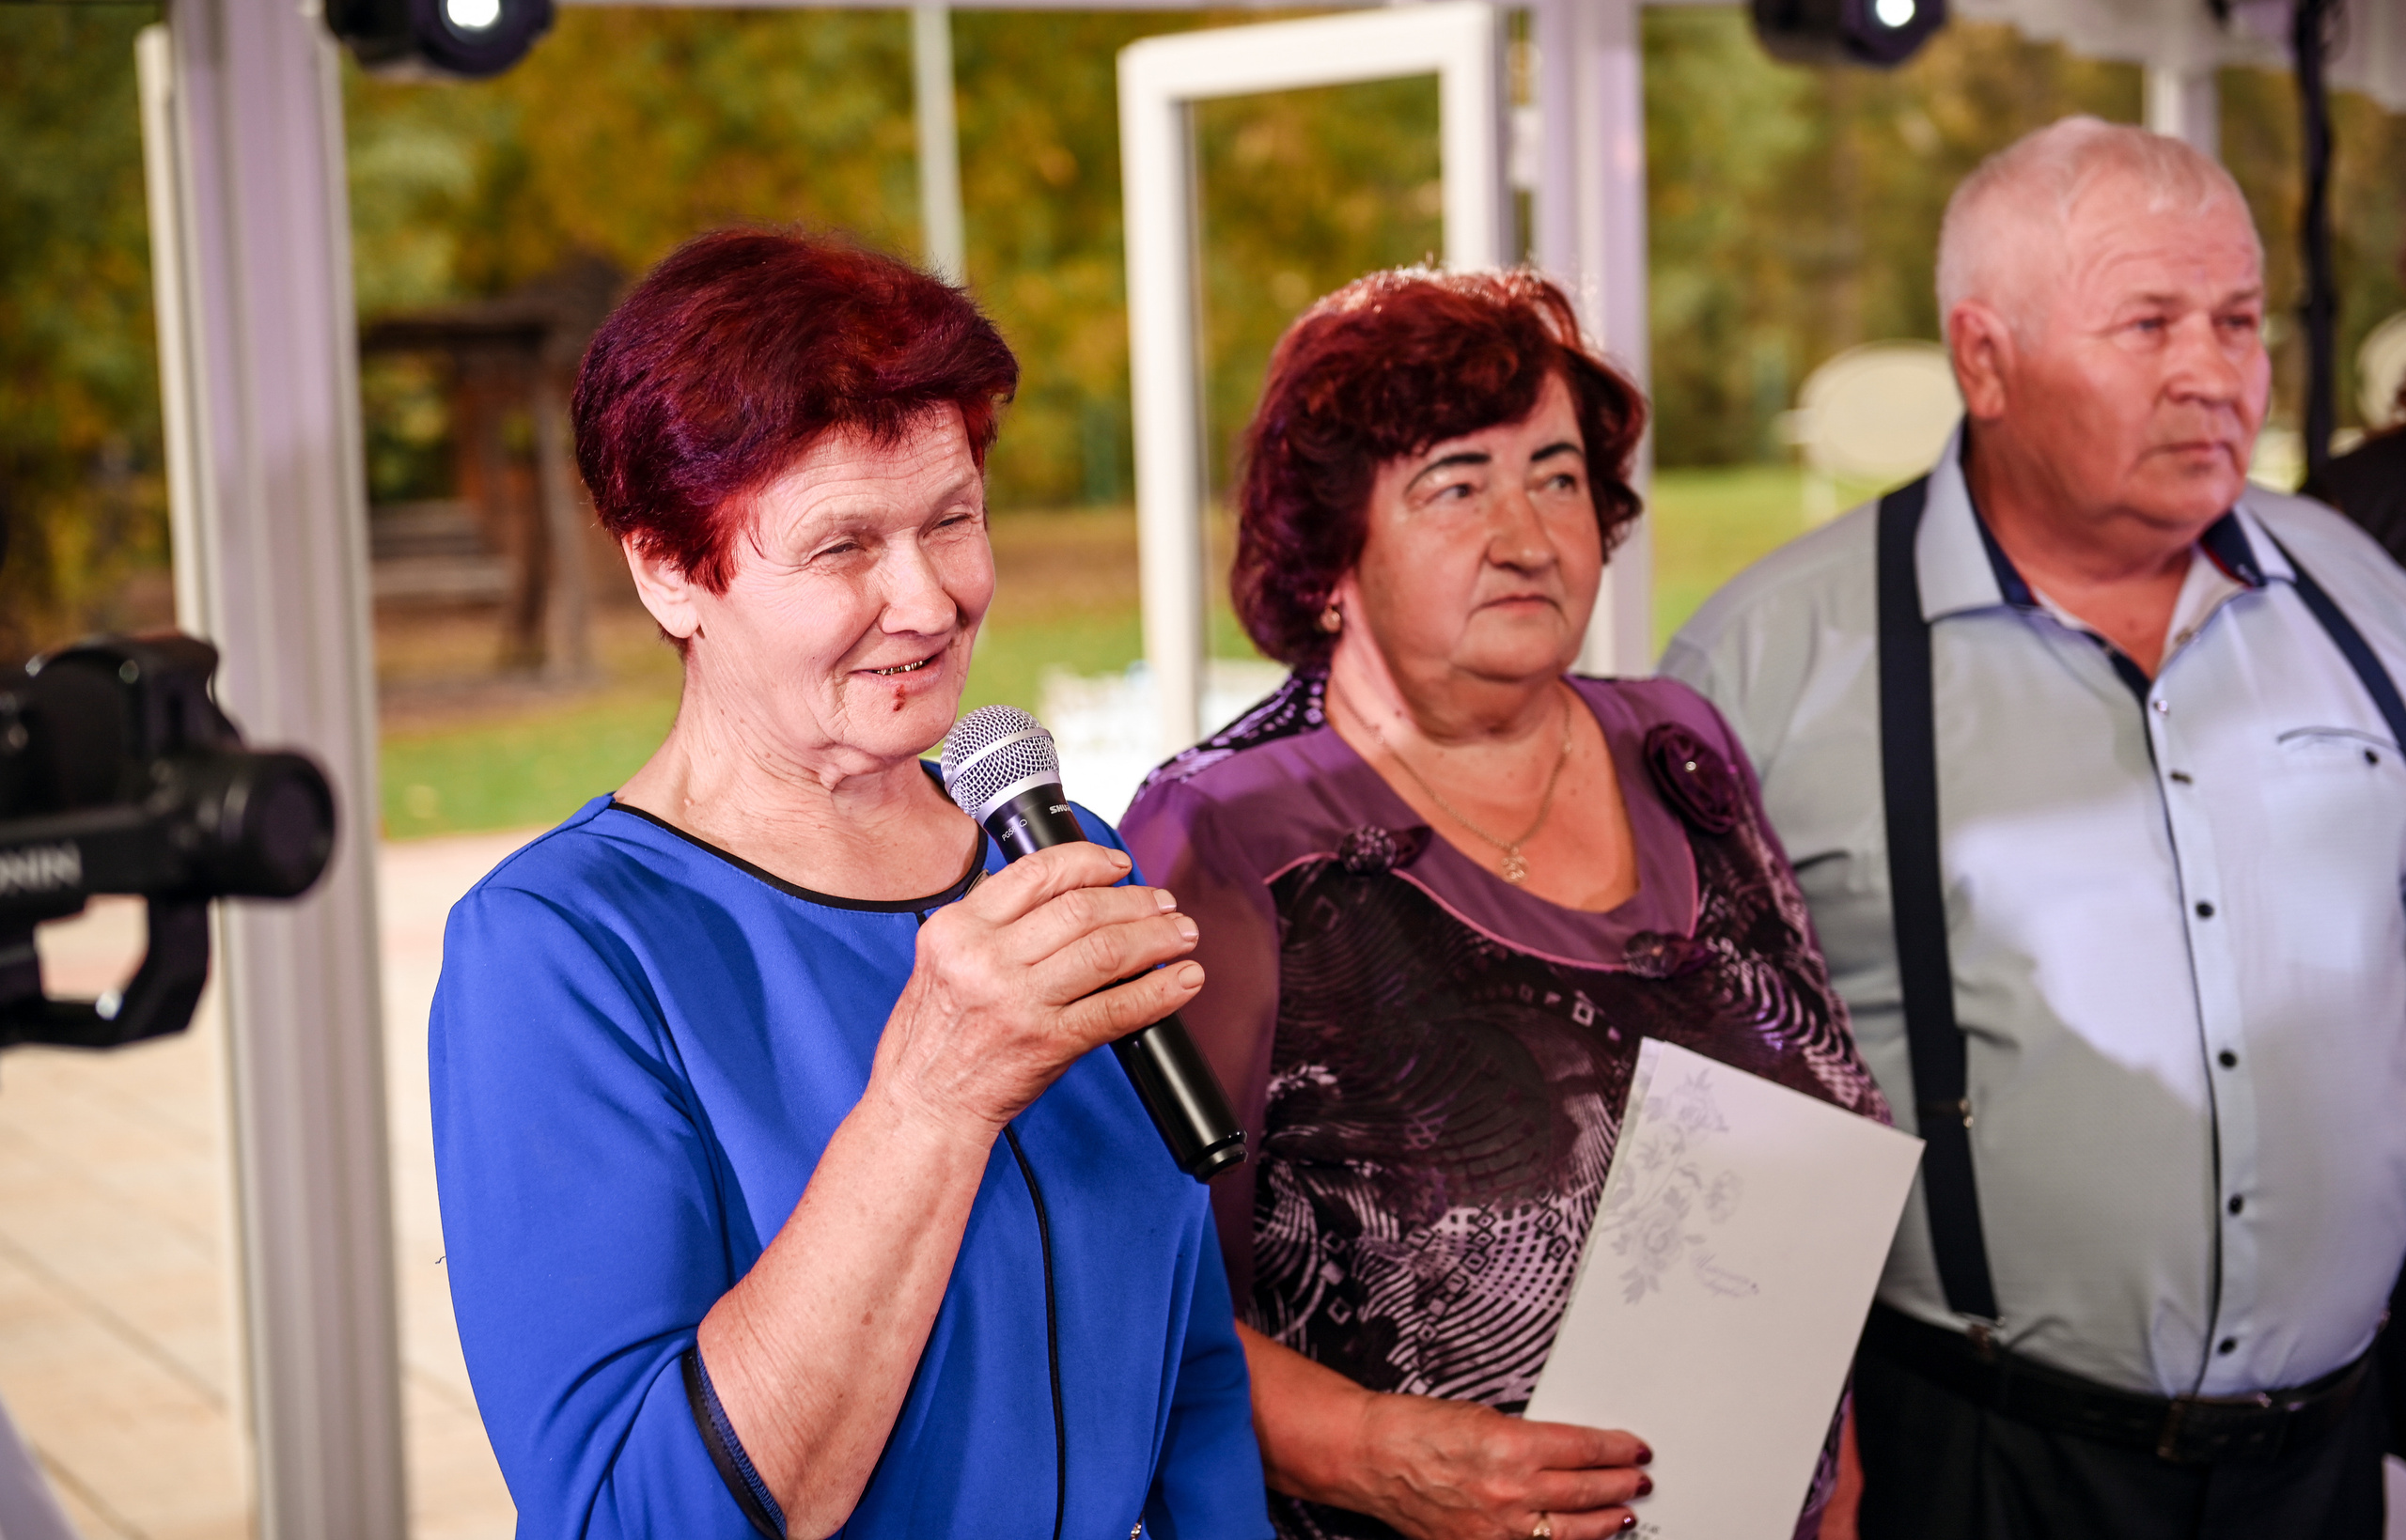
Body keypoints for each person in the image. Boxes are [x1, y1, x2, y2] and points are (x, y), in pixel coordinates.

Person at [430, 229, 1270, 1540]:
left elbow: (1192, 1373)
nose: (928, 601)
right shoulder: (558, 953)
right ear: (667, 566)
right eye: (843, 547)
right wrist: (934, 1092)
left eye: (953, 520)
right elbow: (636, 1518)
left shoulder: (1048, 849)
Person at [1663, 117, 2406, 1540]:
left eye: (2240, 320)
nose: (2216, 373)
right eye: (2149, 322)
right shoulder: (1768, 668)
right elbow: (1713, 1114)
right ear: (1984, 359)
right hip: (1981, 1463)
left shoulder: (2358, 596)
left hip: (2326, 1461)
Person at [1118, 268, 1890, 1540]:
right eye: (1456, 485)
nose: (1526, 535)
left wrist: (1835, 1481)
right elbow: (1120, 1301)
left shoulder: (1679, 751)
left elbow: (1804, 1153)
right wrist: (1372, 1454)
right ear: (1333, 554)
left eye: (1558, 476)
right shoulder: (1231, 838)